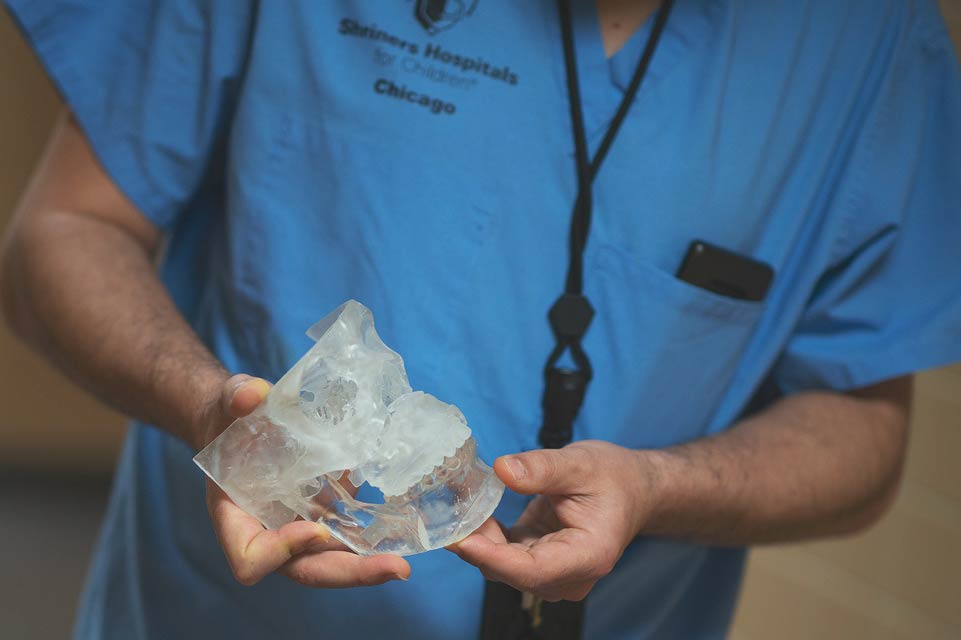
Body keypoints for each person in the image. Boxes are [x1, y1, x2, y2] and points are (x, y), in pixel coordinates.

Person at [2, 0, 959, 638]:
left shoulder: (868, 46)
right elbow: (64, 231)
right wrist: (213, 409)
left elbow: (860, 432)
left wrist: (662, 487)